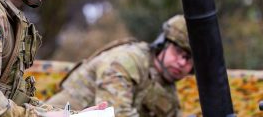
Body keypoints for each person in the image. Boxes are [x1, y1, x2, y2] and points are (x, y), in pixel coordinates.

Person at [46, 14, 194, 117]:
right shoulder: (126, 61)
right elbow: (114, 113)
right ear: (163, 44)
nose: (182, 62)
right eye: (178, 52)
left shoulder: (168, 90)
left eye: (190, 59)